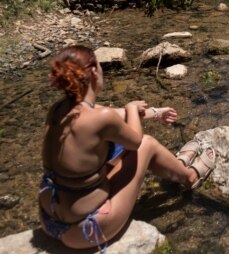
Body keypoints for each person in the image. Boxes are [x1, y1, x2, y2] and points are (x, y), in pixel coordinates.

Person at [40, 45, 214, 252]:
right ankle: (189, 176)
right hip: (85, 229)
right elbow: (135, 141)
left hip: (49, 218)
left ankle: (175, 165)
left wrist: (154, 113)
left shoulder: (59, 110)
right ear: (95, 71)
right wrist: (132, 108)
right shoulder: (101, 119)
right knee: (147, 144)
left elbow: (110, 116)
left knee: (112, 148)